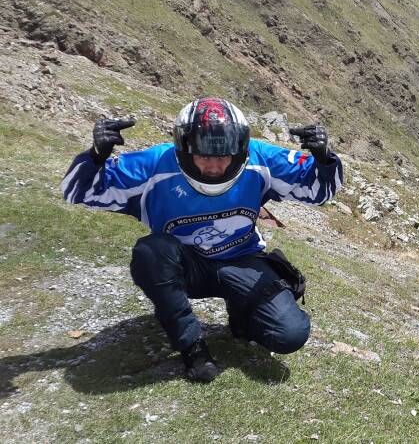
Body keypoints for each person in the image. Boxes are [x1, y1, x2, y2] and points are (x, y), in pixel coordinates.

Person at [61, 97, 344, 382]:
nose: (214, 167)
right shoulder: (154, 164)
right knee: (151, 252)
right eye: (204, 156)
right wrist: (95, 157)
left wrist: (324, 160)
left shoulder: (260, 159)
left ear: (240, 150)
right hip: (186, 267)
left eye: (223, 156)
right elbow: (78, 191)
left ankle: (242, 314)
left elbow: (318, 191)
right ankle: (192, 347)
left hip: (242, 259)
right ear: (184, 149)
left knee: (290, 334)